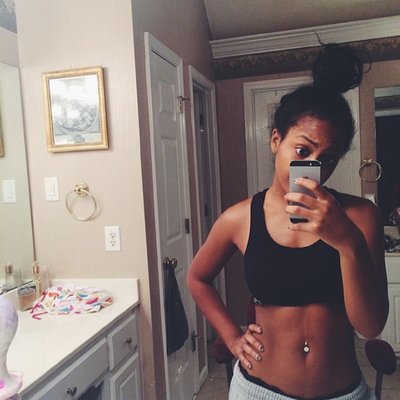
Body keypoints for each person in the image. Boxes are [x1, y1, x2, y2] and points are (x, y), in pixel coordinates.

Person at [187, 44, 388, 400]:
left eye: (328, 158)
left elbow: (370, 325)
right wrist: (232, 337)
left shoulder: (359, 217)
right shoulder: (239, 218)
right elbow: (197, 278)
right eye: (303, 150)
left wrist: (347, 241)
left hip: (341, 393)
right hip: (258, 391)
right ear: (276, 140)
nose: (314, 167)